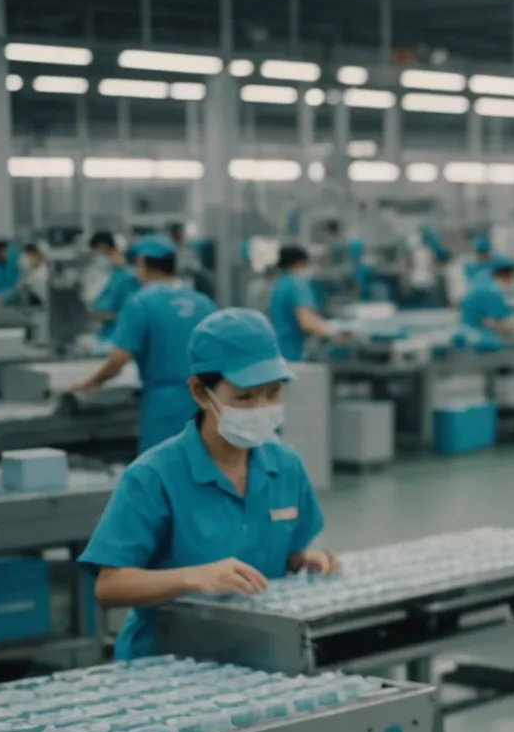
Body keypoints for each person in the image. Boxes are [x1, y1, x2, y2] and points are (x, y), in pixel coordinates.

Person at [80, 309, 333, 660]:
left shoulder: (285, 465)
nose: (263, 408)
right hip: (167, 660)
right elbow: (109, 586)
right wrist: (193, 577)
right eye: (245, 397)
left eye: (273, 393)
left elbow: (282, 553)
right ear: (200, 392)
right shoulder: (154, 476)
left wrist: (305, 560)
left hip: (257, 651)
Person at [72, 237, 218, 455]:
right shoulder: (203, 302)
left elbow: (119, 359)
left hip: (163, 404)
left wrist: (90, 383)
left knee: (160, 472)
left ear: (141, 263)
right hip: (205, 400)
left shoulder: (140, 302)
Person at [266, 245, 341, 361]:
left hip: (278, 352)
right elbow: (306, 321)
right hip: (292, 354)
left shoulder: (279, 285)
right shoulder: (297, 284)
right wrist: (333, 333)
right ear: (301, 263)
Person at [461, 255, 514, 337]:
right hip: (478, 338)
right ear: (510, 275)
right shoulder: (491, 292)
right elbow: (502, 325)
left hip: (469, 331)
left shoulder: (482, 282)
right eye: (513, 277)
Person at [84, 232, 139, 343]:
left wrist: (107, 316)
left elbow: (129, 313)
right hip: (106, 334)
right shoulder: (103, 276)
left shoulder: (126, 279)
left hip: (118, 335)